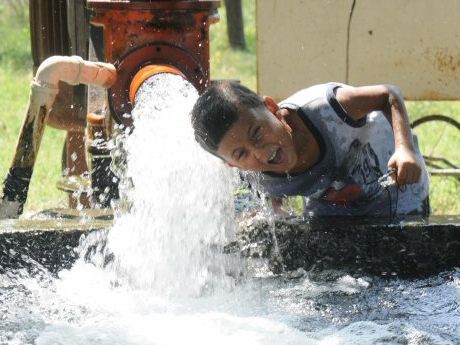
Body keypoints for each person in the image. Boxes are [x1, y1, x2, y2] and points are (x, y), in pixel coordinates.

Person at [191, 81, 430, 218]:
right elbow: (273, 203)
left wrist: (404, 149)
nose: (260, 152)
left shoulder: (327, 108)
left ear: (272, 107)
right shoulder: (253, 177)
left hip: (401, 192)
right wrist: (272, 213)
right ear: (232, 164)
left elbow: (388, 94)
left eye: (257, 133)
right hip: (335, 214)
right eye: (241, 154)